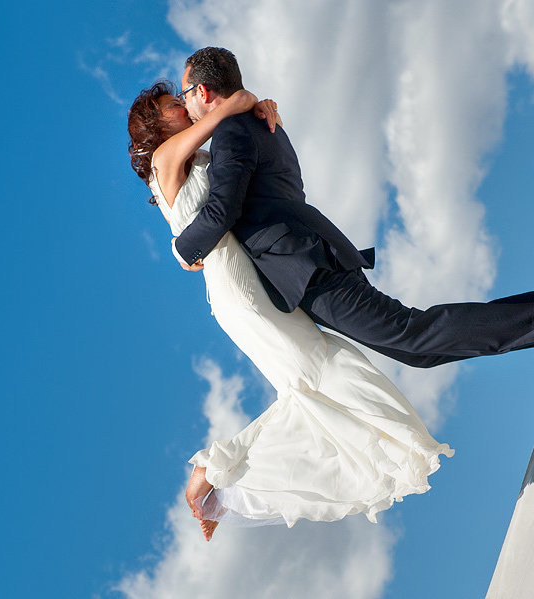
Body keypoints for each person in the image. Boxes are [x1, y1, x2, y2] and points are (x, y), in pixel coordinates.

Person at [128, 82, 453, 542]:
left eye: (181, 100)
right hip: (235, 288)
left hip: (247, 277)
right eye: (171, 106)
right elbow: (231, 106)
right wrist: (247, 103)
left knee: (315, 372)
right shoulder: (164, 160)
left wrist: (257, 113)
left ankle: (217, 477)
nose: (183, 106)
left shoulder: (195, 155)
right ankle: (211, 473)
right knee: (310, 373)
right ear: (154, 127)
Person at [172, 47, 534, 395]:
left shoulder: (231, 132)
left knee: (412, 335)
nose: (185, 104)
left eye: (185, 94)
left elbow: (222, 210)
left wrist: (182, 248)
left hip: (308, 268)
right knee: (415, 347)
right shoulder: (259, 123)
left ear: (203, 91)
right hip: (313, 257)